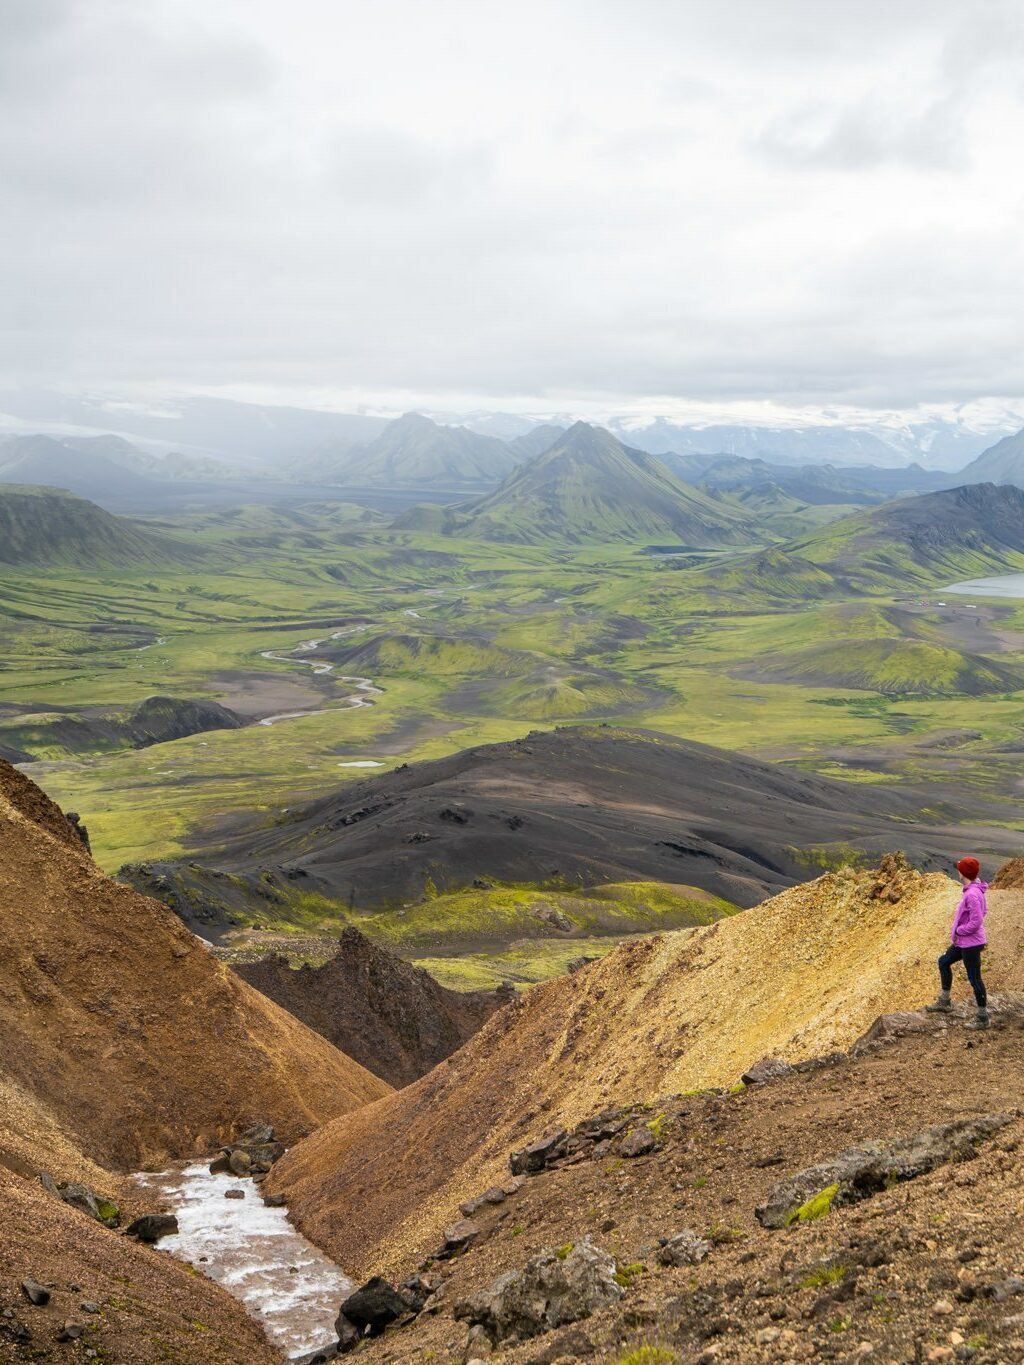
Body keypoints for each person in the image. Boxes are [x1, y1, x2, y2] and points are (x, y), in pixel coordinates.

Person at [925, 857, 989, 1029]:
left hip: (971, 943)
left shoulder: (972, 894)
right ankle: (945, 1002)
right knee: (944, 961)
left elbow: (976, 921)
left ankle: (983, 1018)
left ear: (963, 873)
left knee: (974, 978)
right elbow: (985, 911)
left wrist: (960, 930)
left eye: (959, 869)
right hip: (963, 942)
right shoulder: (974, 890)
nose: (957, 871)